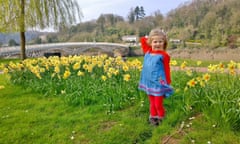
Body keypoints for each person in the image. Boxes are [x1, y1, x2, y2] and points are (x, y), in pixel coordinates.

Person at [138, 28, 174, 126]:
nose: (157, 44)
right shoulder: (148, 51)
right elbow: (142, 41)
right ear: (150, 42)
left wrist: (168, 81)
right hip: (148, 82)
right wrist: (147, 37)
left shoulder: (164, 55)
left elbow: (167, 69)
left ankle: (161, 117)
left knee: (158, 103)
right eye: (155, 41)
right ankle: (153, 118)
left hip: (158, 82)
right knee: (152, 103)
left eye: (160, 41)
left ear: (164, 43)